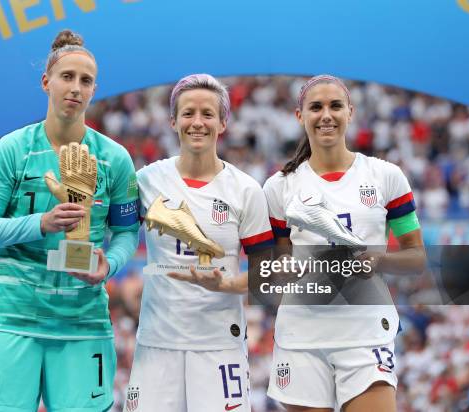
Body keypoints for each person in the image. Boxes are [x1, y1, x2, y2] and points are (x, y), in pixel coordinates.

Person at [0, 29, 140, 411]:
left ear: (94, 89)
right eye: (67, 77)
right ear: (46, 82)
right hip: (11, 317)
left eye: (85, 81)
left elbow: (128, 232)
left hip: (83, 323)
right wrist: (40, 222)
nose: (75, 88)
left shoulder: (115, 158)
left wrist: (109, 265)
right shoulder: (13, 149)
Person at [262, 75, 426, 411]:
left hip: (365, 333)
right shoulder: (278, 188)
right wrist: (287, 270)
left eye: (335, 106)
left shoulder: (385, 176)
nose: (326, 115)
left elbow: (417, 257)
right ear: (299, 116)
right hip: (302, 335)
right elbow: (275, 268)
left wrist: (381, 261)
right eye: (316, 107)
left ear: (350, 112)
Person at [125, 74, 273, 411]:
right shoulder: (147, 180)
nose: (197, 122)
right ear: (173, 120)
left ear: (223, 123)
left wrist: (228, 284)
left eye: (208, 114)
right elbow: (116, 234)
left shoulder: (245, 190)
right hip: (157, 344)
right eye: (188, 113)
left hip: (219, 346)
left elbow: (270, 276)